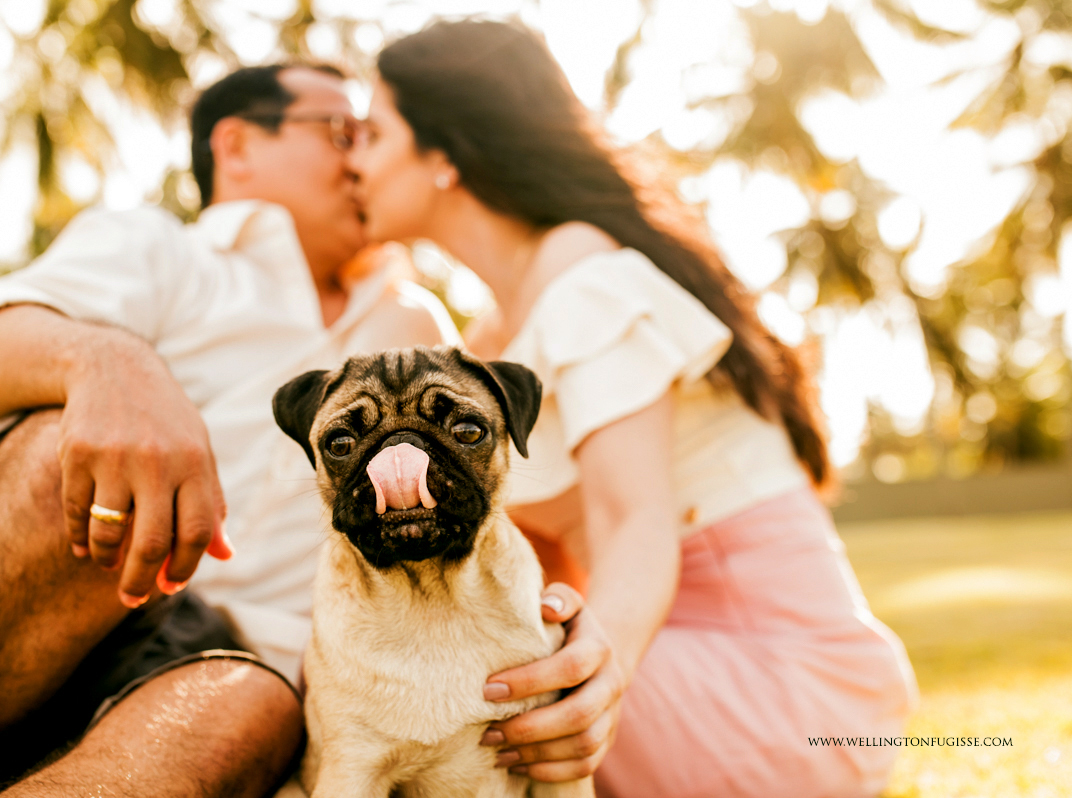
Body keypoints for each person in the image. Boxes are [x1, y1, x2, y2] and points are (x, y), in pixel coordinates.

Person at [347, 18, 918, 798]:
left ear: (443, 155)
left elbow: (634, 516)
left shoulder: (582, 275)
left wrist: (590, 672)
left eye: (372, 135)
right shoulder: (493, 337)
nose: (355, 163)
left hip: (780, 679)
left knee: (453, 685)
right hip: (671, 656)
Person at [0, 62, 460, 797]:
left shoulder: (416, 326)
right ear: (238, 145)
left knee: (252, 702)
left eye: (372, 138)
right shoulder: (166, 251)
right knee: (56, 457)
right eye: (342, 131)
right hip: (80, 582)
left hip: (229, 668)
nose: (361, 158)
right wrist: (106, 361)